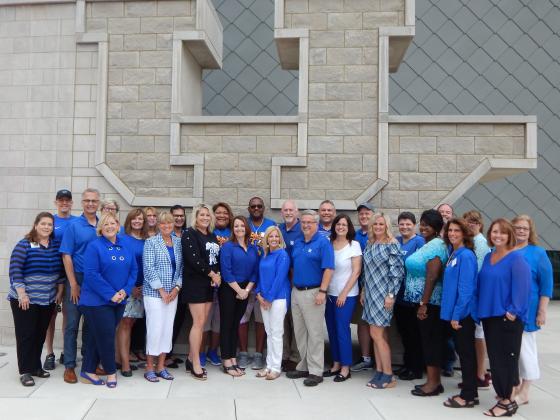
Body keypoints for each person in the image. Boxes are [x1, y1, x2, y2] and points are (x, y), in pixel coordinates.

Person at [478, 218, 530, 417]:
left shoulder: (516, 259)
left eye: (502, 233)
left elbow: (523, 287)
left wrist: (514, 311)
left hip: (507, 318)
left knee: (506, 360)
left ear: (510, 236)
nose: (497, 236)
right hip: (489, 316)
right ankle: (502, 395)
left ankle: (508, 402)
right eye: (494, 232)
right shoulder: (488, 257)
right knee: (496, 359)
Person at [79, 213, 137, 388]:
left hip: (119, 300)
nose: (110, 226)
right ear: (100, 228)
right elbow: (91, 275)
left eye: (113, 223)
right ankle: (111, 373)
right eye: (106, 224)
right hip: (96, 302)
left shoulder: (125, 245)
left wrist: (124, 291)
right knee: (106, 338)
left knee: (99, 337)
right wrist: (111, 294)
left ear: (118, 225)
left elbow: (133, 270)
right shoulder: (94, 246)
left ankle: (87, 370)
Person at [9, 212, 64, 386]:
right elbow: (15, 270)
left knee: (39, 334)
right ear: (36, 225)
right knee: (26, 335)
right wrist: (22, 293)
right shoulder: (25, 244)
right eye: (43, 224)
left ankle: (35, 367)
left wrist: (59, 292)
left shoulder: (55, 245)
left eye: (50, 224)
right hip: (26, 299)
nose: (46, 227)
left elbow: (61, 272)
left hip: (47, 299)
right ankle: (25, 371)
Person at [287, 210, 334, 387]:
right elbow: (293, 267)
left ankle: (316, 371)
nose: (306, 225)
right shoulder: (298, 242)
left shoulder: (323, 243)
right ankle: (304, 365)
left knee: (314, 333)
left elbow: (329, 269)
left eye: (310, 222)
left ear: (316, 224)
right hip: (296, 292)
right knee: (300, 332)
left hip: (314, 292)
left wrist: (322, 291)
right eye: (303, 222)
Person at [404, 209, 449, 397]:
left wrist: (423, 303)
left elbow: (432, 276)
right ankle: (432, 381)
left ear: (437, 227)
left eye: (427, 224)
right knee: (427, 341)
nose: (423, 227)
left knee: (432, 342)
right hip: (423, 302)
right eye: (422, 223)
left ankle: (433, 384)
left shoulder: (437, 245)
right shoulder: (427, 243)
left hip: (430, 304)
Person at [59, 188, 100, 384]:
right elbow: (66, 255)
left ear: (98, 202)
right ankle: (69, 365)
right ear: (82, 203)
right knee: (72, 325)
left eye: (94, 200)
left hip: (96, 282)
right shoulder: (74, 225)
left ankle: (88, 363)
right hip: (77, 278)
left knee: (91, 324)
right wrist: (73, 283)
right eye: (87, 201)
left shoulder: (103, 225)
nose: (90, 204)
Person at [511, 214, 553, 406]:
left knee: (526, 350)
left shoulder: (538, 253)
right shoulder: (505, 250)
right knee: (513, 350)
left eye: (525, 228)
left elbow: (546, 285)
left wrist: (542, 311)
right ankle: (516, 387)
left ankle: (525, 391)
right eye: (518, 227)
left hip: (528, 309)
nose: (521, 231)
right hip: (507, 309)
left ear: (530, 232)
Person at [362, 213, 404, 389]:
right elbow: (365, 271)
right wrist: (363, 290)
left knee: (377, 335)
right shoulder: (370, 243)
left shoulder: (392, 244)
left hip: (383, 296)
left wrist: (391, 295)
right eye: (375, 224)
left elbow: (397, 273)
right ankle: (379, 371)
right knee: (376, 334)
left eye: (381, 224)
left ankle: (388, 375)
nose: (378, 227)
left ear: (386, 226)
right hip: (370, 294)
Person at [440, 218, 479, 408]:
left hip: (463, 316)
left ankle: (469, 395)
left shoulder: (466, 256)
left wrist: (457, 315)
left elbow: (466, 290)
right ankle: (470, 392)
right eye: (450, 230)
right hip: (454, 314)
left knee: (466, 355)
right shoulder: (453, 253)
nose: (452, 234)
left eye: (456, 230)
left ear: (464, 233)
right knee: (463, 353)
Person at [181, 204, 221, 380]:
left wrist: (217, 274)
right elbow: (194, 259)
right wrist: (212, 274)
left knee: (202, 322)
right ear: (195, 217)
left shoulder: (212, 236)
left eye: (207, 215)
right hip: (195, 283)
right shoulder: (189, 234)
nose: (205, 217)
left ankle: (190, 358)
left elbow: (215, 259)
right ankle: (196, 363)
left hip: (209, 284)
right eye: (202, 215)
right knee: (198, 322)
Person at [142, 212, 183, 383]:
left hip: (173, 294)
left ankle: (161, 366)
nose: (166, 226)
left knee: (167, 329)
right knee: (155, 329)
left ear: (174, 224)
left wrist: (177, 288)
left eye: (169, 223)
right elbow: (148, 268)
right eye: (163, 224)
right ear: (158, 225)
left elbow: (181, 269)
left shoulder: (179, 243)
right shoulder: (151, 242)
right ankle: (149, 367)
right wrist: (162, 291)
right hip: (154, 294)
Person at [324, 214, 362, 382]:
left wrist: (344, 293)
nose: (340, 227)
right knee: (331, 329)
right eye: (338, 224)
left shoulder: (354, 245)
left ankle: (346, 367)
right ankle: (336, 363)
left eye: (344, 224)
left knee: (342, 330)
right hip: (329, 294)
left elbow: (356, 272)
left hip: (346, 295)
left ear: (349, 227)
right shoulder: (329, 244)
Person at [238, 196, 275, 370]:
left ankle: (259, 354)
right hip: (245, 281)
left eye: (259, 206)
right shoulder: (243, 224)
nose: (256, 208)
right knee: (242, 319)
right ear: (248, 208)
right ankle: (243, 353)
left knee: (261, 320)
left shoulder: (271, 224)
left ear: (264, 208)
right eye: (253, 206)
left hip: (264, 281)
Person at [219, 216, 258, 376]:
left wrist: (247, 291)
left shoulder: (253, 248)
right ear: (232, 229)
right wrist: (239, 290)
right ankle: (226, 360)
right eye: (236, 226)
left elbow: (255, 271)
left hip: (245, 290)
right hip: (230, 289)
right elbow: (226, 271)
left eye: (242, 225)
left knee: (236, 324)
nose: (239, 228)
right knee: (227, 324)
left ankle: (233, 357)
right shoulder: (228, 246)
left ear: (246, 228)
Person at [43, 189, 77, 371]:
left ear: (72, 203)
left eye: (68, 200)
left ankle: (66, 351)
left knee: (68, 315)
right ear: (56, 202)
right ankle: (49, 353)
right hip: (52, 274)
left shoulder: (77, 222)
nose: (64, 203)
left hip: (71, 275)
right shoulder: (50, 222)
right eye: (61, 200)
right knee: (51, 315)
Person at [116, 209, 148, 377]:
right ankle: (125, 364)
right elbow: (121, 265)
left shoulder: (146, 240)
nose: (137, 221)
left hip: (142, 288)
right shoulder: (122, 238)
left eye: (140, 219)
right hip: (128, 288)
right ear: (129, 220)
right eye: (134, 219)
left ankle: (119, 358)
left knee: (130, 324)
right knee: (125, 324)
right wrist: (130, 287)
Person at [256, 226, 291, 380]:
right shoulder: (264, 255)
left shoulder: (282, 255)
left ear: (280, 239)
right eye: (271, 236)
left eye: (277, 236)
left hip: (278, 299)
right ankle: (269, 365)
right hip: (263, 299)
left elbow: (279, 278)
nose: (274, 239)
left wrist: (269, 298)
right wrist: (258, 294)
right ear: (267, 239)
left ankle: (276, 367)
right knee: (269, 333)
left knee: (276, 333)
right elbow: (260, 276)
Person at [201, 202, 233, 367]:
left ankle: (213, 351)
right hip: (206, 280)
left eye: (225, 213)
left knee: (219, 320)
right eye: (218, 213)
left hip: (226, 283)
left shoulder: (233, 232)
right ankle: (200, 352)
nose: (221, 215)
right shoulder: (207, 232)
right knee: (204, 319)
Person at [394, 211, 425, 381]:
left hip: (413, 297)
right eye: (402, 224)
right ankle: (407, 365)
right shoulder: (397, 241)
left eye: (408, 224)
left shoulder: (419, 242)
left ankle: (416, 368)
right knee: (404, 333)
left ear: (414, 225)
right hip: (398, 296)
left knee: (414, 334)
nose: (404, 227)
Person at [463, 210, 492, 388]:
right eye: (468, 221)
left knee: (479, 335)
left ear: (480, 224)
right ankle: (478, 372)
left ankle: (480, 373)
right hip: (473, 296)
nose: (471, 224)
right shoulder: (471, 242)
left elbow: (478, 271)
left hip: (477, 296)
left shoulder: (480, 243)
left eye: (474, 221)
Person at [278, 199, 303, 371]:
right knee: (282, 319)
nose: (288, 213)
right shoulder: (278, 229)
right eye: (285, 210)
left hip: (297, 279)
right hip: (280, 280)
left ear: (297, 212)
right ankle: (284, 355)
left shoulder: (303, 229)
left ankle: (295, 356)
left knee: (296, 321)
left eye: (291, 210)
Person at [351, 202, 375, 372]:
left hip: (376, 288)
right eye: (361, 214)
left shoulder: (379, 234)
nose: (364, 216)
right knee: (362, 323)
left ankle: (379, 359)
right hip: (358, 287)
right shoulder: (355, 236)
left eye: (367, 213)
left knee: (378, 326)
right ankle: (366, 358)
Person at [168, 204, 188, 368]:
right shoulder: (166, 235)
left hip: (185, 285)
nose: (179, 218)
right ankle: (164, 355)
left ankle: (169, 351)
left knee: (178, 319)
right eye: (176, 215)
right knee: (168, 320)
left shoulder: (188, 234)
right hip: (169, 284)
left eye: (182, 215)